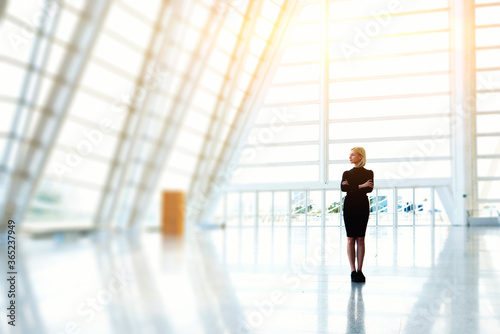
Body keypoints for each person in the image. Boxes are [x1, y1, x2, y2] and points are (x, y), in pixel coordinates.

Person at [341, 147, 374, 283]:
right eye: (350, 155)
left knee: (360, 239)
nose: (350, 157)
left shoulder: (369, 172)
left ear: (360, 156)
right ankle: (352, 270)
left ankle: (359, 270)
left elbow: (370, 189)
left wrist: (353, 186)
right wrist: (361, 186)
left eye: (353, 155)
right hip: (349, 206)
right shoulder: (346, 173)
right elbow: (343, 188)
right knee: (350, 239)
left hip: (362, 206)